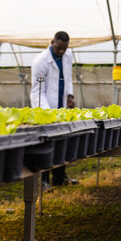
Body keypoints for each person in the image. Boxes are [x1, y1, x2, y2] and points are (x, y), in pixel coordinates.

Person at [31, 31, 78, 188]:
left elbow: (68, 77)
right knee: (47, 142)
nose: (61, 51)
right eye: (58, 48)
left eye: (64, 48)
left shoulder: (68, 55)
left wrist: (70, 96)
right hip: (45, 106)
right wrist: (47, 112)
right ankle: (44, 181)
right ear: (52, 42)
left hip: (61, 104)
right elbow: (38, 91)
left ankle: (60, 177)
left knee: (61, 141)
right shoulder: (41, 62)